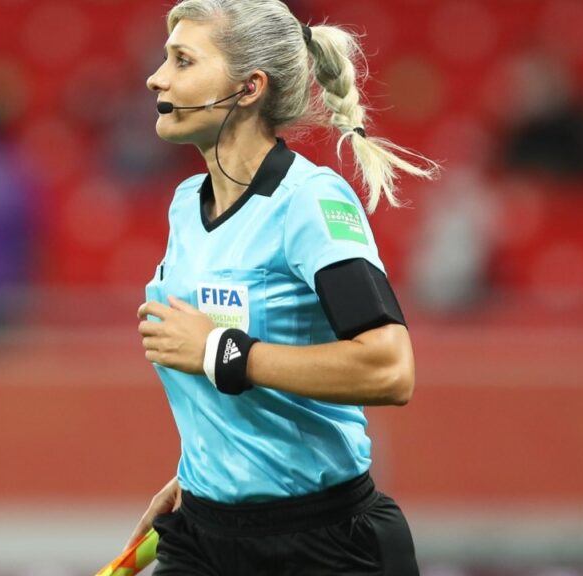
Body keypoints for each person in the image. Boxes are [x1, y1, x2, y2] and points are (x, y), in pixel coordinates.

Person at [131, 1, 437, 574]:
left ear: (248, 88)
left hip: (324, 544)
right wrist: (209, 475)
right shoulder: (185, 204)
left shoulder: (310, 202)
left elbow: (390, 369)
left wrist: (220, 352)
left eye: (182, 60)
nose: (156, 77)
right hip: (202, 532)